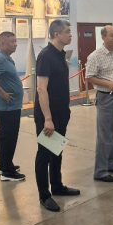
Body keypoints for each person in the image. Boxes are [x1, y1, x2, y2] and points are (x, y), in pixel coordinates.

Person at [35, 19, 80, 212]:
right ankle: (44, 195)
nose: (70, 34)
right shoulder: (45, 56)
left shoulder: (60, 54)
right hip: (48, 114)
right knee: (44, 154)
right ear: (57, 34)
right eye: (67, 31)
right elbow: (41, 89)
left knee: (57, 150)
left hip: (62, 111)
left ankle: (57, 185)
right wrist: (48, 118)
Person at [86, 25, 113, 183]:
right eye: (112, 35)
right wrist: (107, 84)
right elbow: (89, 77)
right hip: (106, 98)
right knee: (105, 135)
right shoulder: (95, 56)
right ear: (103, 37)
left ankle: (112, 164)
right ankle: (100, 171)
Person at [0, 31, 25, 182]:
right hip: (6, 107)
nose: (15, 44)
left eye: (16, 41)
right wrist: (2, 93)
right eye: (12, 42)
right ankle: (7, 172)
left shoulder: (6, 57)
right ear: (2, 43)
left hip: (11, 106)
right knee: (8, 138)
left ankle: (5, 164)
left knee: (7, 138)